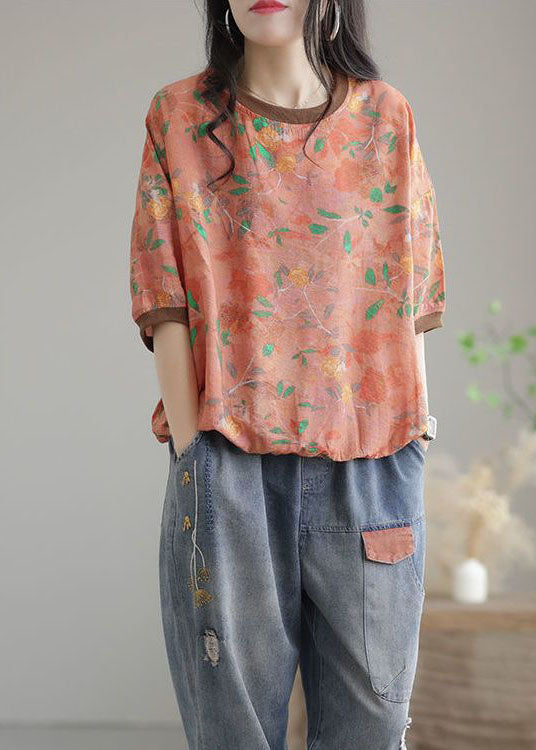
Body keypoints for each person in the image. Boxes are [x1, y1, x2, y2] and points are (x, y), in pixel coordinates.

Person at [129, 0, 446, 747]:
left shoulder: (385, 118)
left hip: (371, 472)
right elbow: (164, 297)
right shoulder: (180, 117)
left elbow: (410, 297)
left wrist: (417, 436)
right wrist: (194, 455)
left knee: (372, 732)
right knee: (233, 736)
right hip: (228, 471)